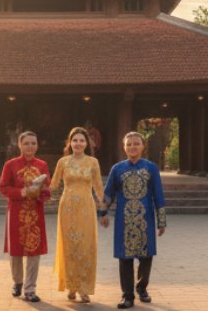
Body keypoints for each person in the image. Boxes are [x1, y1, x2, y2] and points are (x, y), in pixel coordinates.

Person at [100, 131, 166, 309]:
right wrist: (102, 213)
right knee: (125, 258)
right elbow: (108, 194)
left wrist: (162, 221)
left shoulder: (151, 168)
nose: (132, 147)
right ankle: (127, 295)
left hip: (146, 219)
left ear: (143, 146)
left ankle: (142, 288)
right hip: (124, 220)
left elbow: (158, 195)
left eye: (136, 143)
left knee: (146, 257)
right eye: (129, 144)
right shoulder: (117, 169)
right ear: (124, 147)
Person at [50, 126, 106, 303]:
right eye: (75, 140)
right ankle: (71, 286)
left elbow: (98, 187)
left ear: (87, 143)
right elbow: (53, 186)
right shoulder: (63, 162)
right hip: (66, 208)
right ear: (70, 142)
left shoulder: (93, 162)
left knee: (85, 245)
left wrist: (103, 209)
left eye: (82, 140)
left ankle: (84, 288)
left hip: (86, 208)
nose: (78, 143)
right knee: (69, 246)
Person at [0, 131, 51, 303]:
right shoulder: (10, 165)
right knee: (16, 251)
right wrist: (22, 192)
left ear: (37, 145)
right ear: (20, 145)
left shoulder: (42, 165)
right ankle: (17, 282)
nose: (30, 146)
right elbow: (3, 187)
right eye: (27, 143)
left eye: (33, 143)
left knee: (34, 251)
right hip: (16, 212)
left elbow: (47, 189)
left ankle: (30, 288)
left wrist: (41, 193)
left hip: (35, 213)